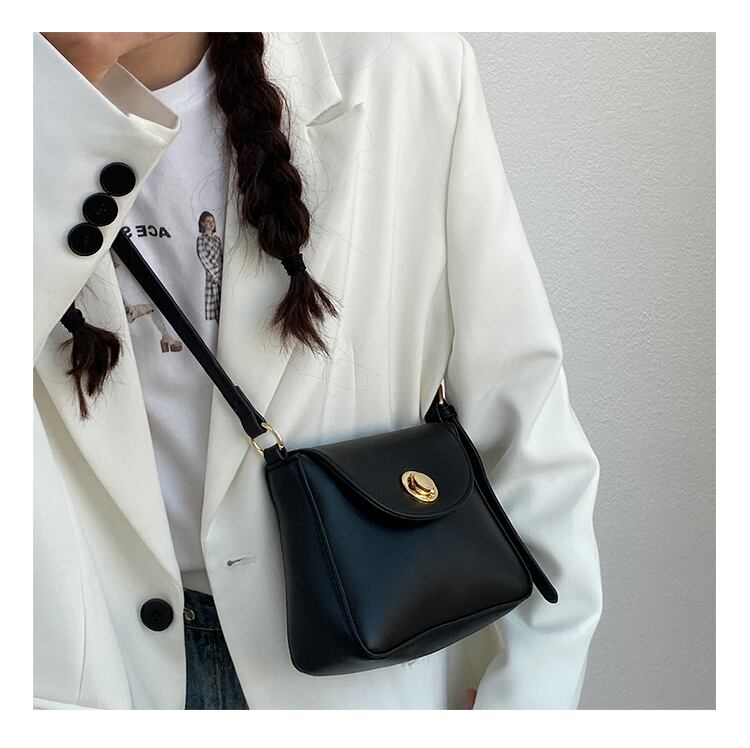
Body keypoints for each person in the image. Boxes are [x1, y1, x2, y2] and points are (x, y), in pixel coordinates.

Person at [33, 31, 603, 710]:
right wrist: (60, 90)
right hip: (89, 675)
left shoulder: (401, 67)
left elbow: (525, 420)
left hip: (360, 669)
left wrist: (529, 702)